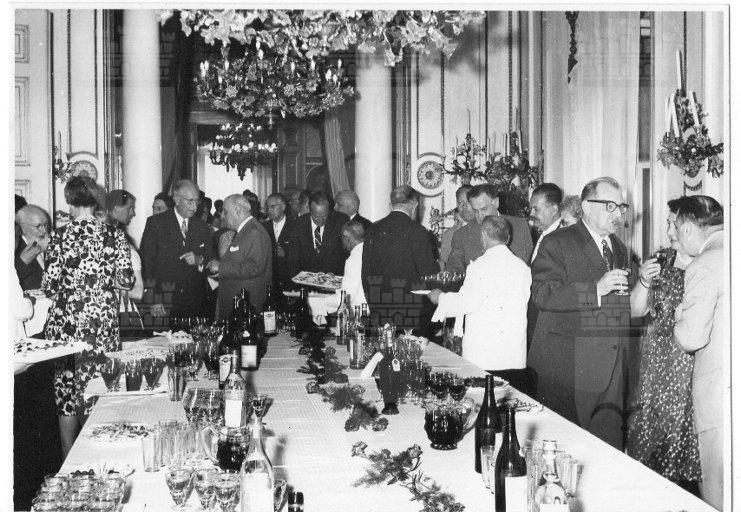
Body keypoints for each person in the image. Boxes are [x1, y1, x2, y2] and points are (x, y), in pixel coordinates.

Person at [528, 176, 631, 449]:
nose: (618, 214)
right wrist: (595, 290)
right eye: (610, 206)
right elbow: (542, 293)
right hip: (566, 367)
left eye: (621, 207)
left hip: (608, 368)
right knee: (564, 449)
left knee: (605, 450)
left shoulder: (619, 249)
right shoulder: (557, 242)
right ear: (586, 206)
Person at [42, 176, 134, 456]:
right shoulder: (114, 235)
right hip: (101, 324)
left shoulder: (58, 236)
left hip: (66, 325)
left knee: (66, 394)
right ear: (96, 200)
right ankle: (99, 457)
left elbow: (50, 286)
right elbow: (127, 281)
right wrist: (101, 282)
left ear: (70, 201)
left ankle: (68, 459)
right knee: (100, 390)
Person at [627, 197, 700, 490]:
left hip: (687, 362)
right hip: (656, 361)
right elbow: (635, 311)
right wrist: (643, 282)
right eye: (668, 223)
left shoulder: (707, 262)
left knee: (682, 432)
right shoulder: (661, 260)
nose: (669, 230)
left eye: (673, 223)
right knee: (650, 434)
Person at [429, 216, 532, 394]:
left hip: (485, 354)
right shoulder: (523, 267)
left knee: (484, 400)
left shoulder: (479, 267)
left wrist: (440, 298)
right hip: (513, 352)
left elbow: (466, 302)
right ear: (508, 238)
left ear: (483, 235)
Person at [673, 195, 724, 510]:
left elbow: (691, 338)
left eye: (677, 229)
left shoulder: (703, 264)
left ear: (688, 229)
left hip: (719, 395)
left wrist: (680, 313)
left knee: (718, 487)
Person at [361, 185, 439, 333]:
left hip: (379, 307)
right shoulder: (418, 231)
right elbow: (428, 273)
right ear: (414, 204)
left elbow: (365, 272)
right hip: (411, 311)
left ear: (391, 204)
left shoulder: (373, 229)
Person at [140, 180, 216, 319]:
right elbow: (147, 264)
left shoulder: (203, 227)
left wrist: (199, 260)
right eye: (190, 201)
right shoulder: (156, 223)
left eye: (197, 202)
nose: (194, 207)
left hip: (195, 304)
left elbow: (211, 261)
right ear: (177, 199)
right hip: (164, 302)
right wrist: (153, 298)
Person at [206, 194, 273, 318]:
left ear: (238, 210)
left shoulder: (254, 231)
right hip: (239, 304)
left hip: (246, 306)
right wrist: (220, 271)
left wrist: (221, 267)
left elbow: (255, 267)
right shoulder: (246, 230)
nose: (222, 216)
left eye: (225, 211)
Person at [446, 184, 533, 272]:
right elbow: (453, 269)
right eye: (475, 211)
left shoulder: (519, 226)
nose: (480, 216)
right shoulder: (462, 235)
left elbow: (531, 263)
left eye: (484, 209)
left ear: (496, 203)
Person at [106, 190, 145, 335]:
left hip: (124, 316)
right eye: (130, 208)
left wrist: (103, 283)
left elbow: (138, 291)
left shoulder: (126, 247)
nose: (133, 213)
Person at [288, 191, 349, 276]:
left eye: (325, 216)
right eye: (316, 217)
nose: (321, 221)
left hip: (333, 278)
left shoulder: (340, 221)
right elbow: (293, 258)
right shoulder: (298, 225)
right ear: (310, 210)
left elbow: (347, 252)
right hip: (307, 279)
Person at [263, 193, 297, 292]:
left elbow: (302, 255)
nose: (269, 210)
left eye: (273, 206)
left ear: (283, 207)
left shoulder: (295, 226)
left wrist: (286, 254)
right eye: (268, 207)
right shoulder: (264, 227)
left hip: (290, 281)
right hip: (270, 282)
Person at [15, 204, 50, 290]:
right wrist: (22, 262)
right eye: (38, 226)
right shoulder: (13, 248)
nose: (44, 230)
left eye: (46, 224)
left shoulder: (51, 244)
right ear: (24, 227)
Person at [439, 185, 474, 269]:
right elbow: (443, 266)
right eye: (460, 202)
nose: (464, 206)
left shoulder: (488, 229)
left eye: (468, 202)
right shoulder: (448, 235)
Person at [529, 183, 563, 262]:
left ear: (554, 209)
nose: (531, 214)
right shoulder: (543, 234)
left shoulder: (562, 240)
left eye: (536, 209)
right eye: (531, 209)